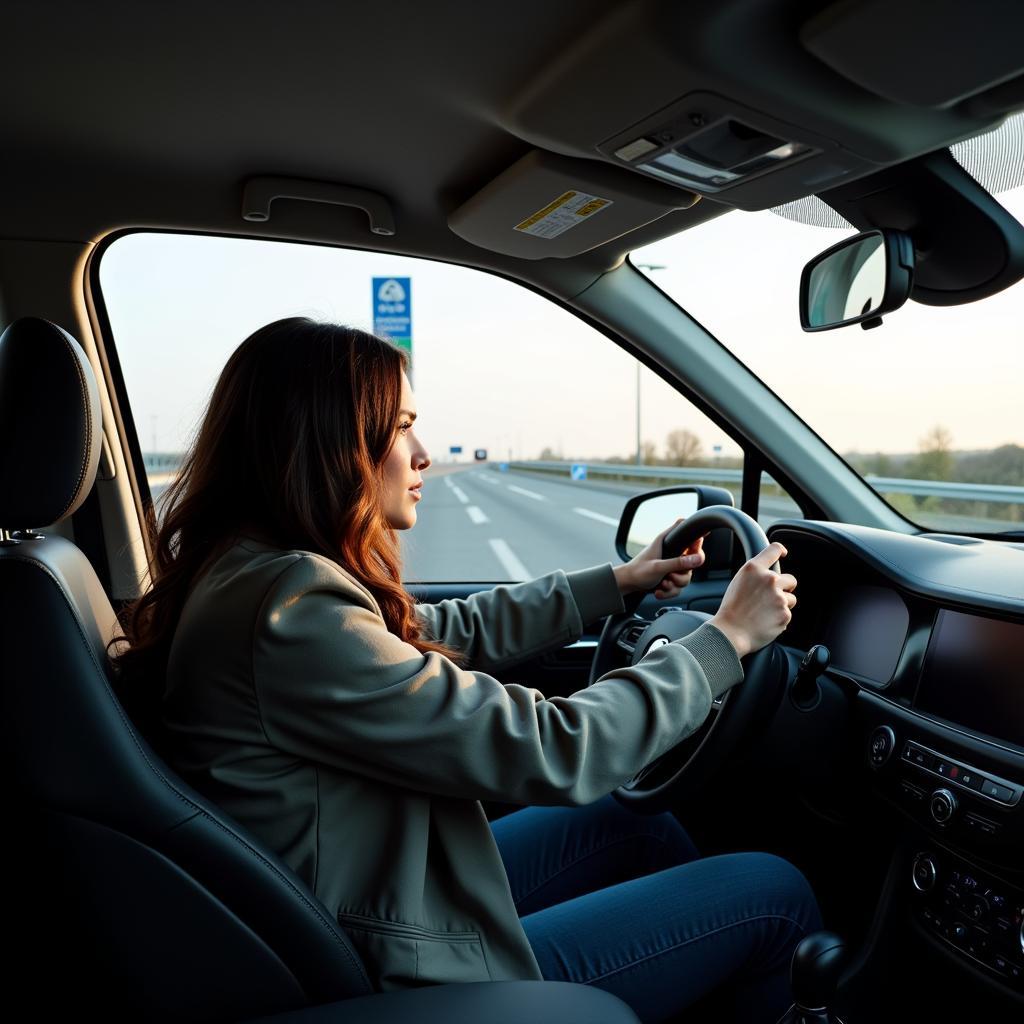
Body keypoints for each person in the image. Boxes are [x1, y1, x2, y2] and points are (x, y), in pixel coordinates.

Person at [110, 318, 822, 1023]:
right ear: (328, 445)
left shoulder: (250, 571)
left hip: (371, 895)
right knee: (771, 894)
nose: (421, 454)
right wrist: (722, 641)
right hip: (394, 965)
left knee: (633, 822)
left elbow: (427, 636)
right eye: (400, 427)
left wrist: (620, 582)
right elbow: (556, 746)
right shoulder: (290, 607)